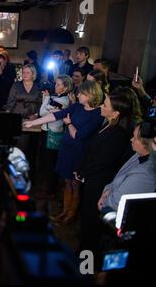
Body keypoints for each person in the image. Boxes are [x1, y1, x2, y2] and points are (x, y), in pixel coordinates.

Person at [24, 81, 104, 225]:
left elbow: (79, 135)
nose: (77, 95)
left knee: (75, 184)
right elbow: (56, 116)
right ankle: (65, 212)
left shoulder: (98, 114)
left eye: (82, 93)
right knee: (67, 182)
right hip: (66, 148)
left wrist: (69, 123)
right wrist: (33, 123)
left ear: (91, 95)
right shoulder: (77, 106)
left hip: (79, 152)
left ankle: (71, 214)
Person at [76, 91, 134, 253]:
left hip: (99, 184)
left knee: (91, 222)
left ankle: (86, 264)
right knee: (86, 220)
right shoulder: (108, 124)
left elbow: (102, 162)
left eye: (106, 105)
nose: (102, 106)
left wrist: (83, 172)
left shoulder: (118, 134)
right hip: (92, 179)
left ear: (116, 113)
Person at [98, 123, 156, 212]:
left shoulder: (146, 174)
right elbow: (118, 178)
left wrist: (104, 200)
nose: (131, 140)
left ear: (146, 144)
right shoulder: (138, 155)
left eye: (135, 138)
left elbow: (116, 203)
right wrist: (106, 191)